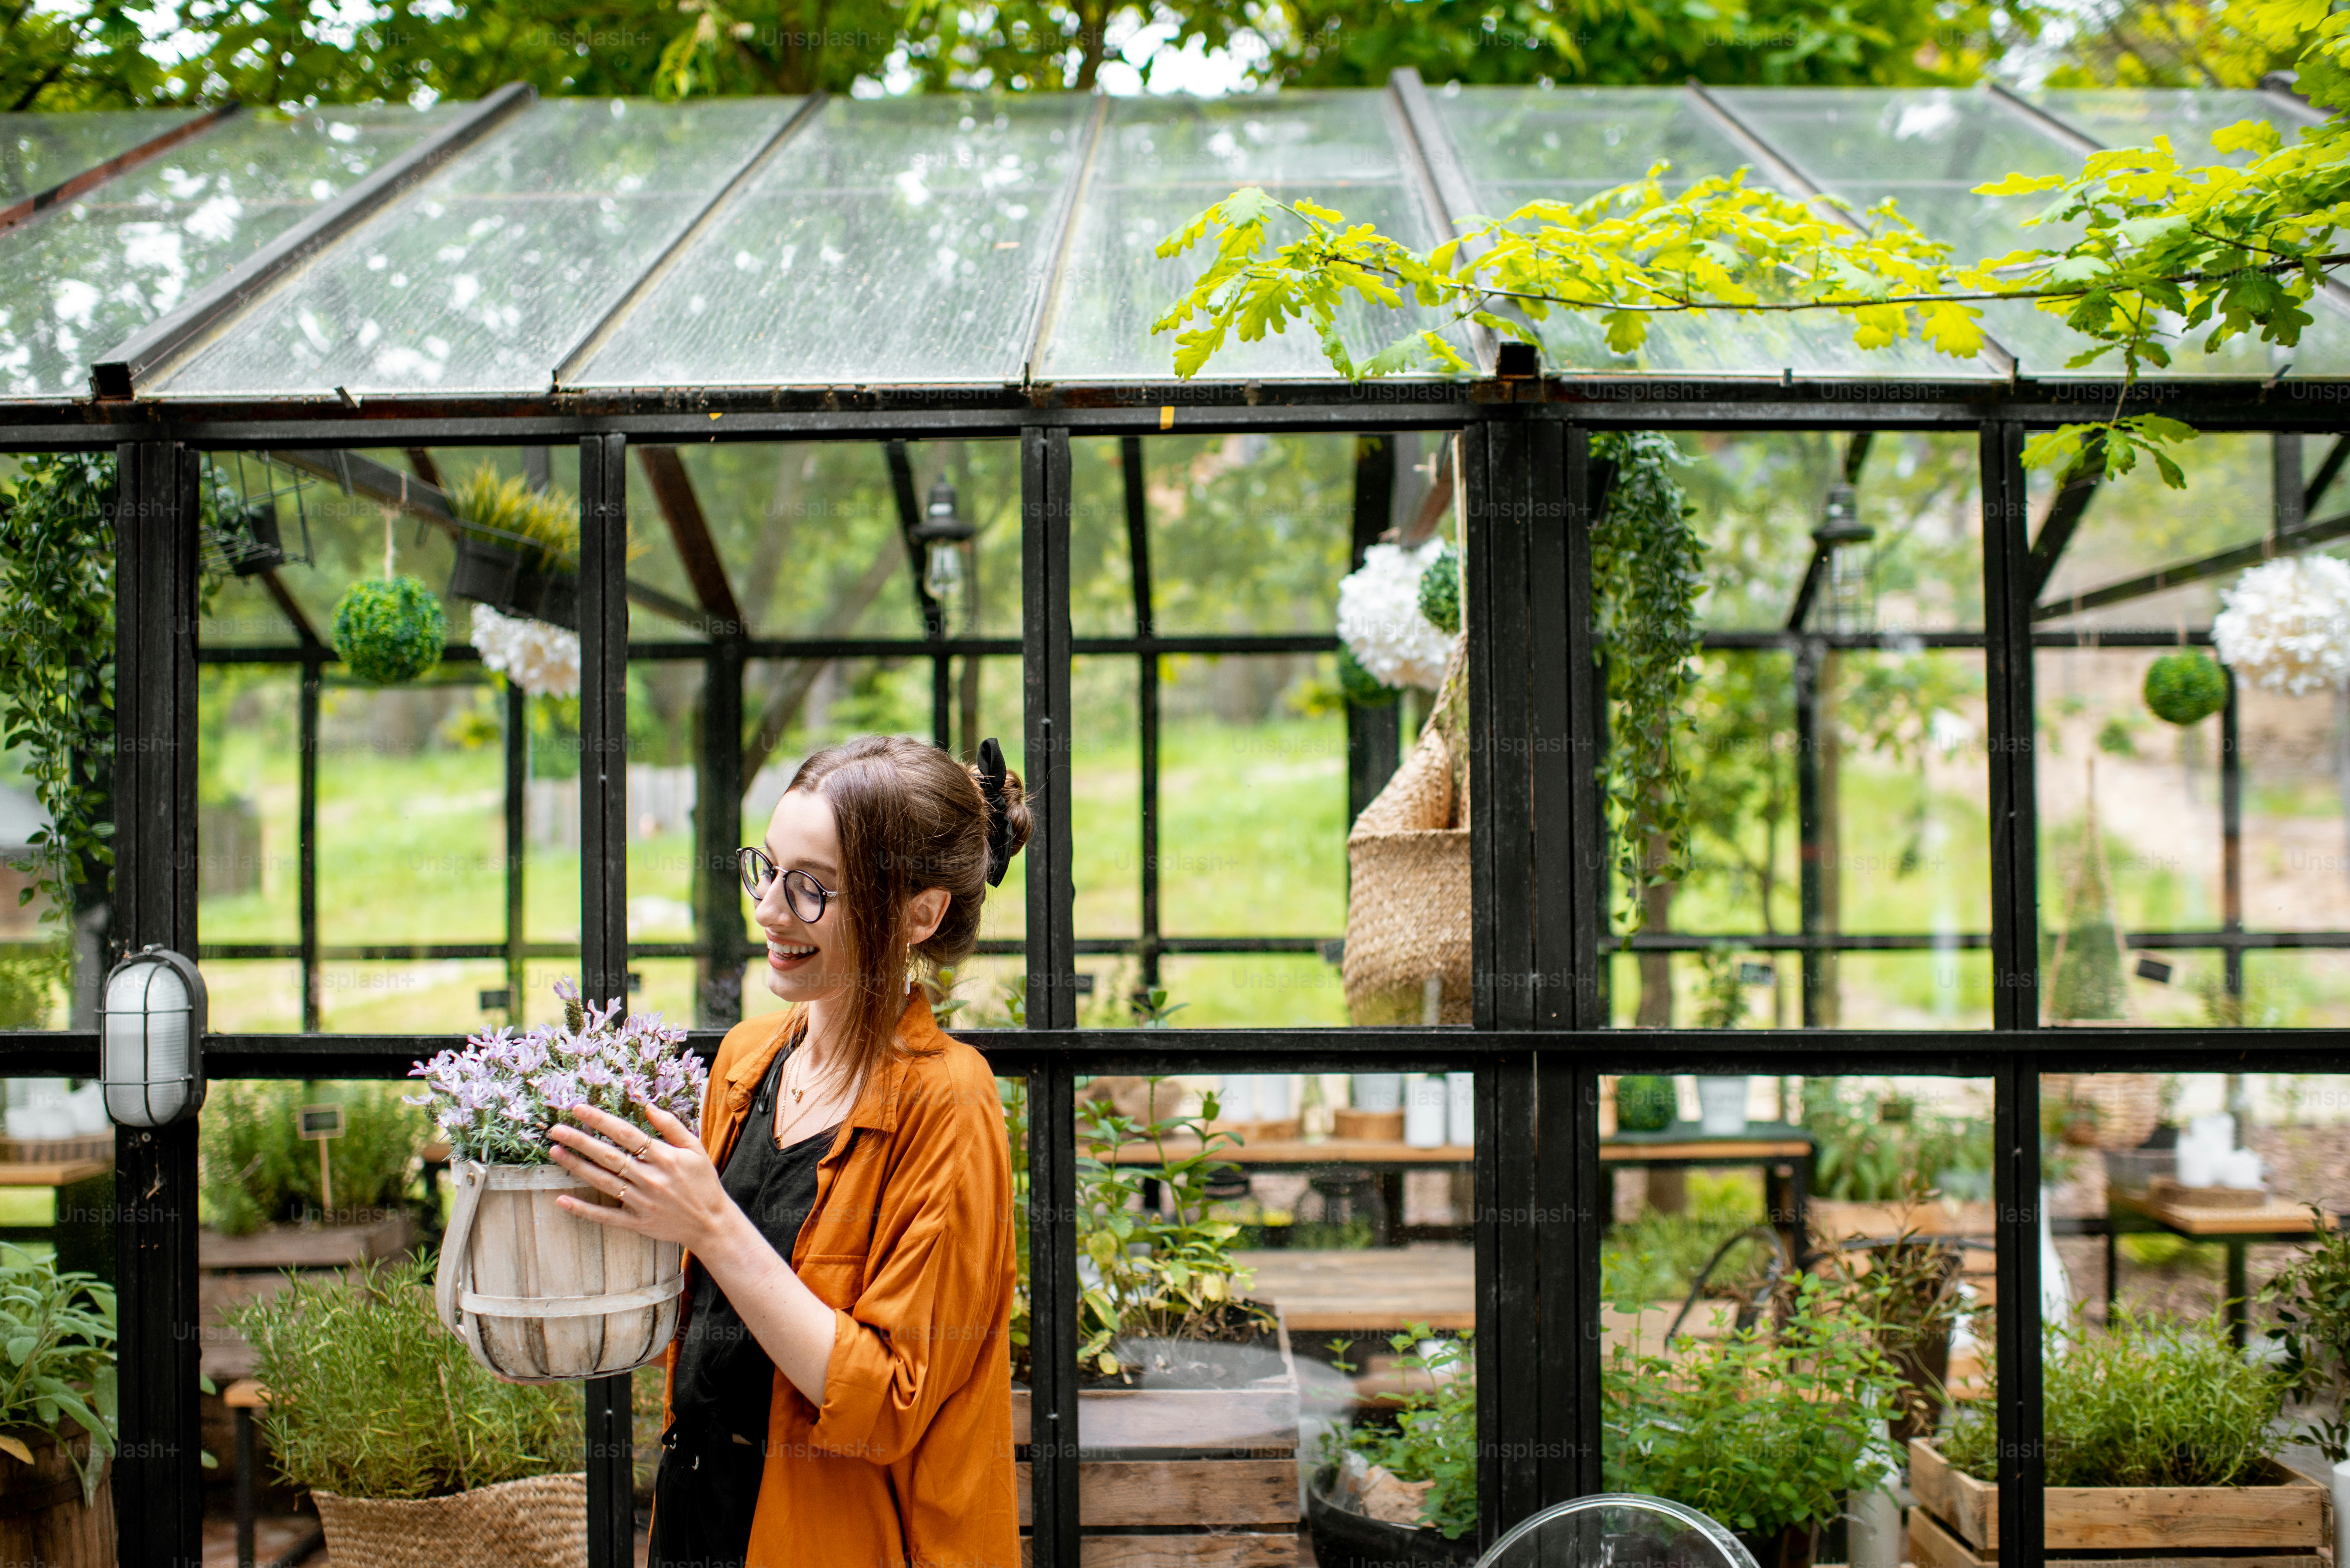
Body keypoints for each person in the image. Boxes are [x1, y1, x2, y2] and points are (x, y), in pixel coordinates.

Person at [546, 734, 1030, 1568]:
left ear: (919, 912)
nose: (769, 910)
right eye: (766, 870)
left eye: (813, 890)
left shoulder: (948, 1100)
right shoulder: (747, 1057)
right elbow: (706, 1311)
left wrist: (712, 1225)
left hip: (836, 1536)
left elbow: (884, 1404)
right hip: (698, 1513)